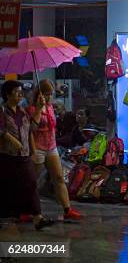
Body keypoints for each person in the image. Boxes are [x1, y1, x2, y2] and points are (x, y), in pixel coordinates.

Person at [0, 80, 53, 230]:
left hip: (23, 156)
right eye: (17, 92)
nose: (20, 94)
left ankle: (38, 217)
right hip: (7, 156)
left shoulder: (22, 111)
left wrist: (39, 108)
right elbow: (1, 130)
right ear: (8, 94)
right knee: (8, 188)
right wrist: (13, 141)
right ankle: (9, 218)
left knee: (30, 183)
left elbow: (31, 129)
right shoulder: (2, 111)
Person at [28, 80, 82, 220]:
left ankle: (67, 208)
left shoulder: (51, 107)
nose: (49, 97)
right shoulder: (33, 109)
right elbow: (32, 130)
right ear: (39, 94)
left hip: (51, 147)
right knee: (33, 181)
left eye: (51, 94)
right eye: (46, 94)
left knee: (58, 178)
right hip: (38, 148)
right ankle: (27, 210)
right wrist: (39, 109)